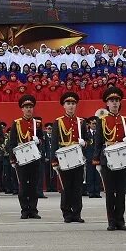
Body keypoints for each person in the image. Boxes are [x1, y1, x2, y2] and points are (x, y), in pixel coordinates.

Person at [95, 87, 126, 231]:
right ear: (107, 104)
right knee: (110, 191)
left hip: (122, 158)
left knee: (121, 191)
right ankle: (111, 220)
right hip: (107, 159)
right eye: (112, 101)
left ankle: (120, 220)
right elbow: (98, 142)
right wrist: (97, 160)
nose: (115, 103)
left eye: (117, 101)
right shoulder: (102, 121)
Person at [52, 91, 86, 223]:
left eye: (73, 103)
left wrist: (85, 143)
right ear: (64, 106)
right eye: (68, 103)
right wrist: (54, 161)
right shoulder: (58, 122)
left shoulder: (81, 122)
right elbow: (54, 142)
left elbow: (88, 140)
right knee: (66, 187)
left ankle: (77, 213)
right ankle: (66, 213)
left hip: (77, 157)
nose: (71, 106)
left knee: (77, 187)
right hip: (64, 158)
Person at [7, 94, 44, 220]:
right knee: (23, 185)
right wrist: (12, 158)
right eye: (26, 107)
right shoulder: (16, 123)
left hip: (34, 158)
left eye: (30, 107)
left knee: (34, 185)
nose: (28, 109)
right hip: (21, 159)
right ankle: (24, 209)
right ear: (22, 109)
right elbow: (12, 142)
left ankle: (33, 209)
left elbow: (42, 140)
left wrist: (38, 140)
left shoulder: (37, 124)